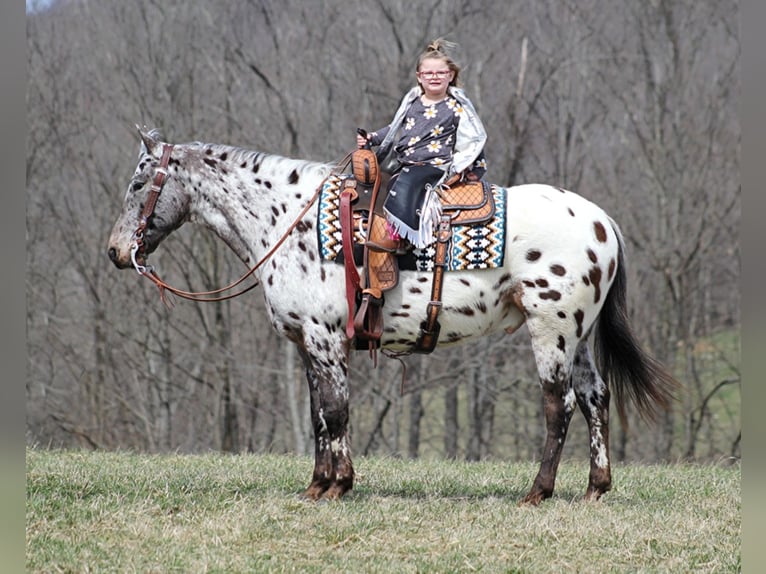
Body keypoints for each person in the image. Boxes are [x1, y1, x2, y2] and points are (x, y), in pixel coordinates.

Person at [357, 38, 488, 248]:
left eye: (440, 73)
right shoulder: (413, 103)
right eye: (428, 73)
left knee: (407, 183)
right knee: (371, 182)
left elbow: (472, 138)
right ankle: (361, 230)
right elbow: (394, 129)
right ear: (419, 76)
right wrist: (372, 138)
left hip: (434, 165)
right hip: (404, 162)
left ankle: (399, 239)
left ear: (451, 75)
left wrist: (475, 166)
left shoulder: (456, 107)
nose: (434, 77)